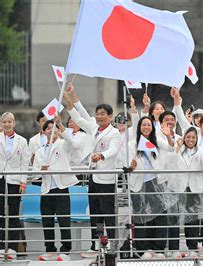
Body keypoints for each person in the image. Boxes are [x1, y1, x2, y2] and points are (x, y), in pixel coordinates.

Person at [64, 84, 121, 257]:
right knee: (95, 213)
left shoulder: (114, 133)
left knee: (108, 214)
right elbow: (80, 118)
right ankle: (95, 244)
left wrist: (101, 156)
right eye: (97, 113)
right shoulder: (94, 128)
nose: (99, 116)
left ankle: (111, 243)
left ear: (110, 116)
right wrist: (70, 102)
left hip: (106, 179)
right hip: (93, 178)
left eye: (103, 114)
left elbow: (113, 150)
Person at [128, 116, 175, 259]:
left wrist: (168, 136)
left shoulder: (155, 141)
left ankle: (159, 249)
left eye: (149, 125)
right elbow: (127, 163)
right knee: (142, 215)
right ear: (139, 127)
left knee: (161, 215)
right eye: (143, 125)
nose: (146, 127)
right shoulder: (132, 144)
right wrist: (132, 166)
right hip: (138, 183)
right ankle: (143, 249)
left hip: (156, 182)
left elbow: (171, 148)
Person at [33, 119, 78, 261]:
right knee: (47, 220)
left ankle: (66, 250)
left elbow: (71, 141)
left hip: (61, 187)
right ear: (44, 131)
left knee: (64, 219)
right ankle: (50, 249)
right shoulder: (39, 152)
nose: (51, 130)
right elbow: (34, 173)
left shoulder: (63, 144)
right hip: (46, 189)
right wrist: (41, 170)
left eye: (54, 128)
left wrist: (60, 124)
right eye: (48, 128)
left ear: (58, 130)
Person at [166, 126, 203, 258]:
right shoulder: (178, 148)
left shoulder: (201, 150)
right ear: (184, 138)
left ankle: (192, 248)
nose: (190, 139)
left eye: (193, 137)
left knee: (192, 219)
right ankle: (174, 249)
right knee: (175, 218)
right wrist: (177, 148)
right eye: (188, 137)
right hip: (178, 187)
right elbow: (170, 162)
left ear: (196, 139)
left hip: (193, 188)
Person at [0, 112, 30, 260]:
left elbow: (25, 163)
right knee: (0, 213)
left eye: (9, 122)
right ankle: (0, 247)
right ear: (1, 123)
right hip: (0, 177)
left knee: (13, 214)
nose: (7, 124)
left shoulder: (22, 141)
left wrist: (23, 181)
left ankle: (11, 247)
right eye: (4, 122)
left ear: (14, 123)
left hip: (15, 180)